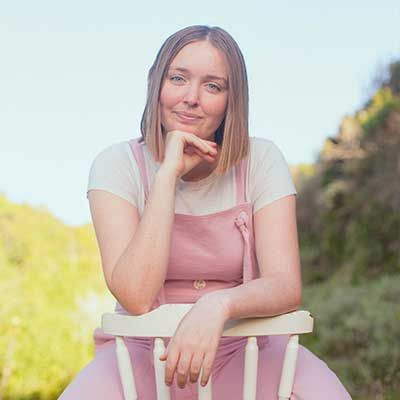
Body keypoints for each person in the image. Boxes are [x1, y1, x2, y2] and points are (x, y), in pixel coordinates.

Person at [59, 25, 351, 399]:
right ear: (156, 84)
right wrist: (167, 176)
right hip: (141, 360)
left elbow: (285, 284)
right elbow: (135, 295)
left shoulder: (261, 160)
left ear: (233, 100)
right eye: (178, 78)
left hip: (249, 351)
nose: (191, 98)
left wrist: (217, 305)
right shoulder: (116, 165)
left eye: (213, 86)